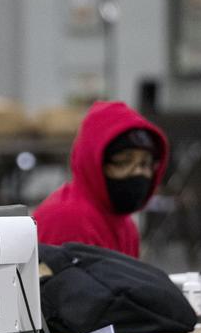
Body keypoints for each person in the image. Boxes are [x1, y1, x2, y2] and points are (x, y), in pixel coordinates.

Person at [33, 101, 169, 258]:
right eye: (123, 161)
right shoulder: (67, 220)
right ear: (95, 163)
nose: (138, 173)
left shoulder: (124, 224)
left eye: (145, 163)